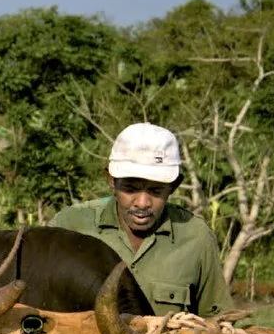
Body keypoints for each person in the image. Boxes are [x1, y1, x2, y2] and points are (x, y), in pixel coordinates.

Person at [48, 122, 231, 317]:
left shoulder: (196, 238)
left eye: (155, 191)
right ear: (111, 180)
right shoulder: (70, 226)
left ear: (174, 186)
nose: (142, 202)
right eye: (131, 189)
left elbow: (216, 322)